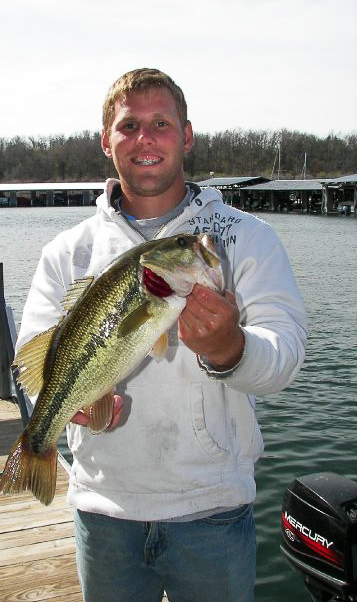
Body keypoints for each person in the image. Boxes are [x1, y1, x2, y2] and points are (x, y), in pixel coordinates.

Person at [16, 68, 308, 602]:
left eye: (161, 124)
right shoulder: (67, 251)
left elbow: (285, 358)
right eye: (129, 126)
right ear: (107, 141)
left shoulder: (244, 238)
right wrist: (65, 407)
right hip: (104, 512)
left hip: (212, 511)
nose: (145, 139)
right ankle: (34, 451)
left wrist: (230, 348)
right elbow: (35, 363)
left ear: (187, 134)